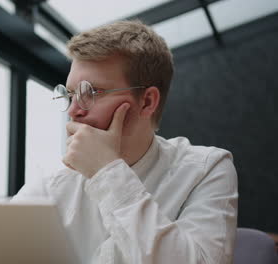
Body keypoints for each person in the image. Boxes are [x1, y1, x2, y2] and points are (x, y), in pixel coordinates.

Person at [13, 20, 238, 264]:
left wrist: (107, 171)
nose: (73, 110)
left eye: (91, 92)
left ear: (147, 102)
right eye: (70, 94)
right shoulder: (53, 181)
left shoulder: (207, 168)